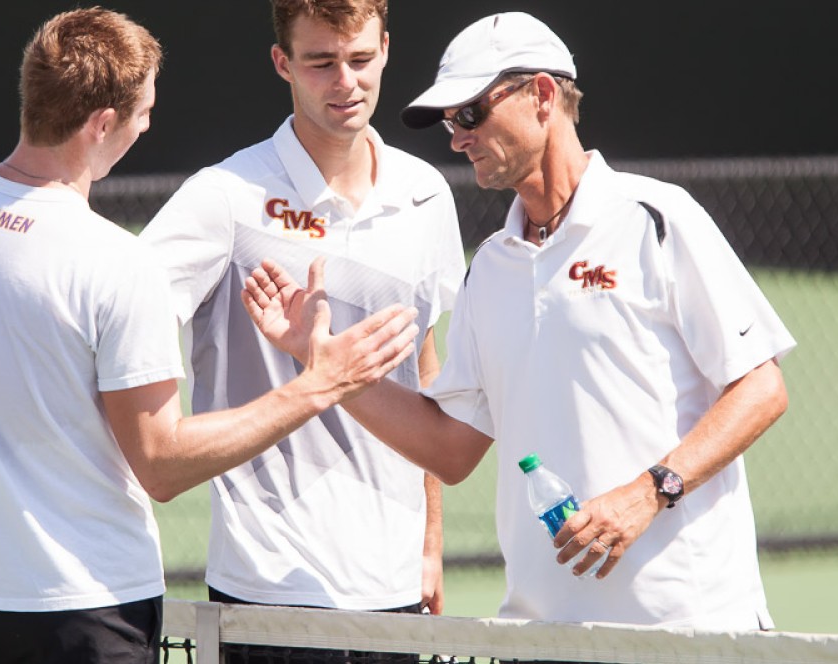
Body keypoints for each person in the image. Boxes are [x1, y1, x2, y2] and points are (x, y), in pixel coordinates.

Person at [0, 8, 419, 664]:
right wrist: (318, 385)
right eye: (143, 112)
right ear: (101, 124)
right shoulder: (115, 261)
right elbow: (161, 463)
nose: (147, 125)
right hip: (93, 616)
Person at [241, 10, 796, 638]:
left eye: (471, 114)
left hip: (693, 632)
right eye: (451, 122)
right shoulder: (490, 271)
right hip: (540, 636)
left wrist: (649, 493)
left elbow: (761, 388)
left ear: (542, 95)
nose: (457, 137)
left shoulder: (657, 217)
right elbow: (451, 450)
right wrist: (331, 372)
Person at [139, 0, 465, 634]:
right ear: (282, 63)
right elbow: (118, 314)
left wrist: (429, 542)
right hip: (263, 589)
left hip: (393, 589)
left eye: (361, 59)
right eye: (321, 62)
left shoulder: (427, 195)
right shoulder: (224, 197)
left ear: (387, 50)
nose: (345, 82)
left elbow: (421, 370)